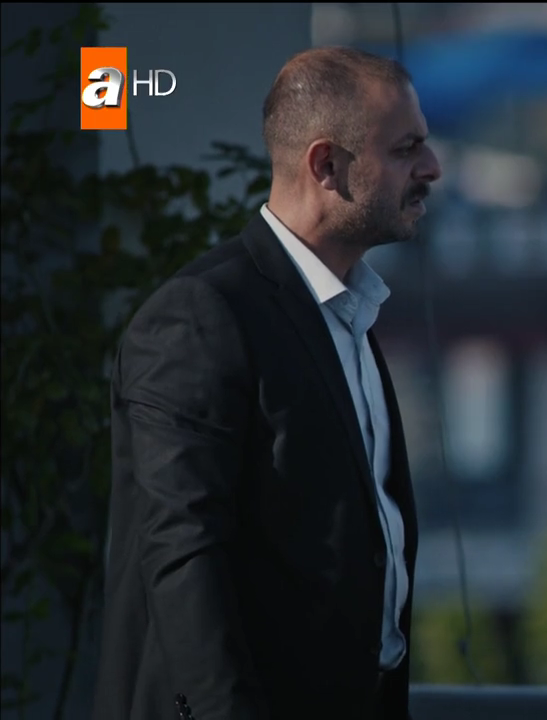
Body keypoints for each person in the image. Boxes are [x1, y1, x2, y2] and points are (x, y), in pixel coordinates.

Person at [92, 46, 441, 720]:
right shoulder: (199, 316)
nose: (432, 167)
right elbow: (183, 558)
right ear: (326, 165)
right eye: (406, 149)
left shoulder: (351, 314)